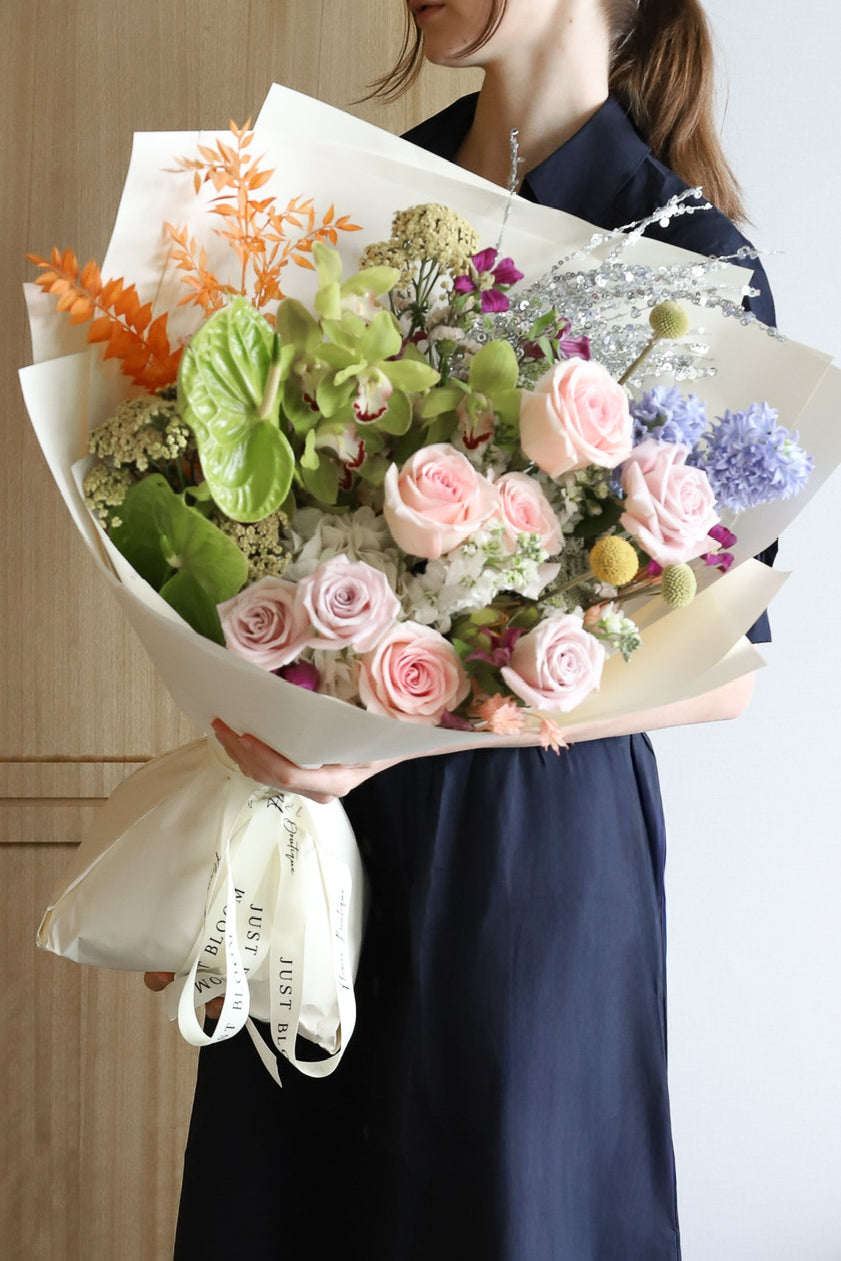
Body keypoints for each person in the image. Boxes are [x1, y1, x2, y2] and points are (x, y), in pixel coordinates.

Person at [155, 2, 776, 1257]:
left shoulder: (693, 253)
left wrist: (443, 719)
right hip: (325, 825)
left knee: (508, 1210)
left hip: (528, 853)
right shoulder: (359, 207)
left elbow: (730, 671)